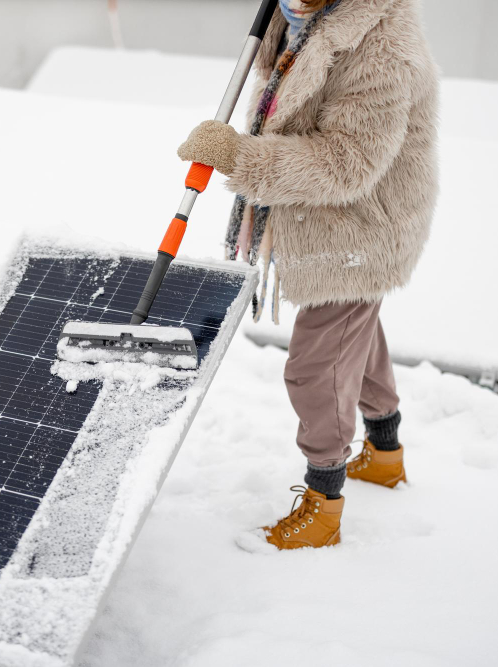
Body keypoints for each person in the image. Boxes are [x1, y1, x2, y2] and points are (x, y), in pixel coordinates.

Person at [176, 0, 439, 550]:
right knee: (356, 339)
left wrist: (240, 157)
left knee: (314, 371)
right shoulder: (298, 13)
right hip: (334, 219)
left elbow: (347, 161)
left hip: (362, 227)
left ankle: (323, 504)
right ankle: (386, 454)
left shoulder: (383, 45)